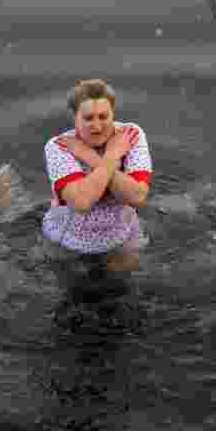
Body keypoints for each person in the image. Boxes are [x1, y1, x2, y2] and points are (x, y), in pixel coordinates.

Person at [42, 79, 153, 286]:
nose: (97, 126)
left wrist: (90, 157)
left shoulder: (129, 135)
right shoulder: (60, 146)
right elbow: (82, 202)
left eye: (103, 116)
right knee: (74, 294)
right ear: (74, 117)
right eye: (88, 118)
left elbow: (137, 197)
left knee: (126, 291)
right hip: (69, 240)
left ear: (113, 114)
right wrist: (112, 157)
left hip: (122, 235)